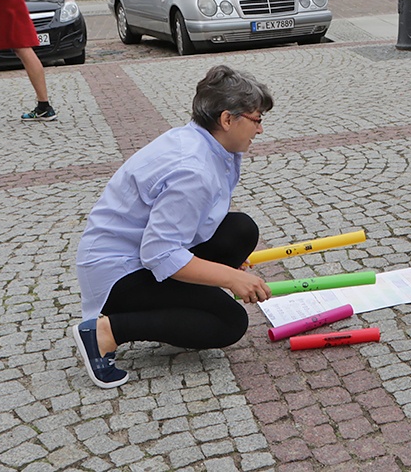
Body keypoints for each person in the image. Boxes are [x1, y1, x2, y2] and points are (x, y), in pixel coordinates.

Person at [72, 65, 274, 389]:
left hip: (137, 254)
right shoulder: (193, 169)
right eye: (257, 120)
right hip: (118, 275)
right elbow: (159, 253)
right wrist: (231, 277)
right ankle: (105, 333)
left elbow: (185, 227)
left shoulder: (204, 142)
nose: (260, 130)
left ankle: (181, 303)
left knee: (240, 230)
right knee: (229, 322)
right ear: (227, 119)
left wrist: (221, 269)